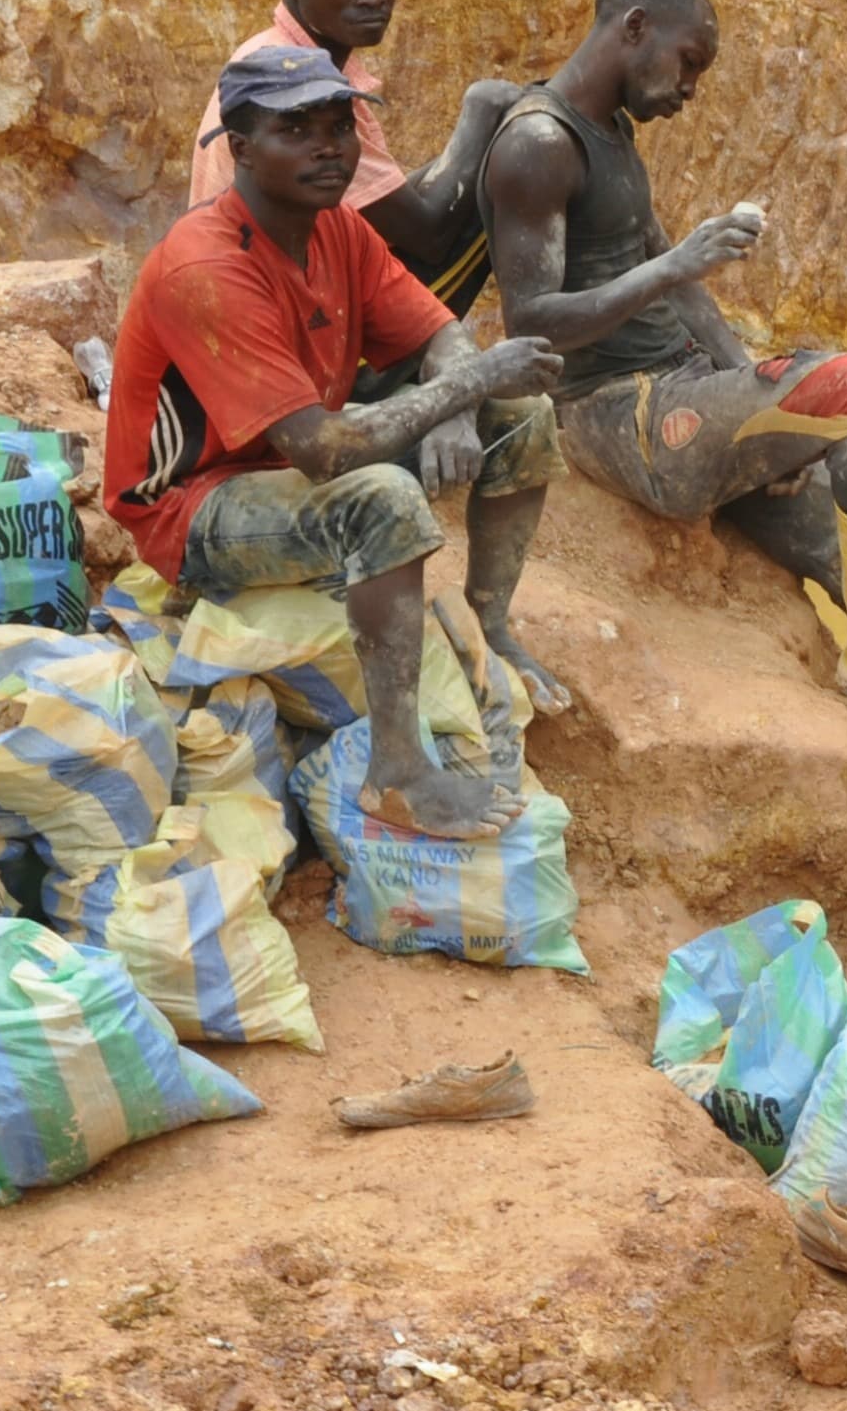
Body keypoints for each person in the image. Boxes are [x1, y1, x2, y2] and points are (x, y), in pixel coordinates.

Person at [482, 0, 847, 730]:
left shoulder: (611, 133)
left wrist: (764, 418)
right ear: (635, 28)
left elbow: (679, 285)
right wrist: (676, 263)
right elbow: (532, 324)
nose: (691, 88)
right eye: (688, 62)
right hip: (616, 412)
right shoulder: (539, 142)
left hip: (686, 386)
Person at [107, 45, 566, 838]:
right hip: (195, 505)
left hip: (286, 460)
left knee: (520, 409)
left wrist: (459, 402)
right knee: (381, 499)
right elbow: (322, 452)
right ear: (241, 151)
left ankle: (490, 623)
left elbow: (438, 332)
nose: (330, 146)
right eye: (297, 129)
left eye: (339, 124)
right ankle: (395, 774)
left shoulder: (337, 231)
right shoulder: (205, 264)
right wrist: (458, 388)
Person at [188, 0, 520, 327]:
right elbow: (428, 235)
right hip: (278, 318)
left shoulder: (281, 53)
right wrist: (481, 113)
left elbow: (389, 205)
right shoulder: (296, 84)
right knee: (507, 174)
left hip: (285, 290)